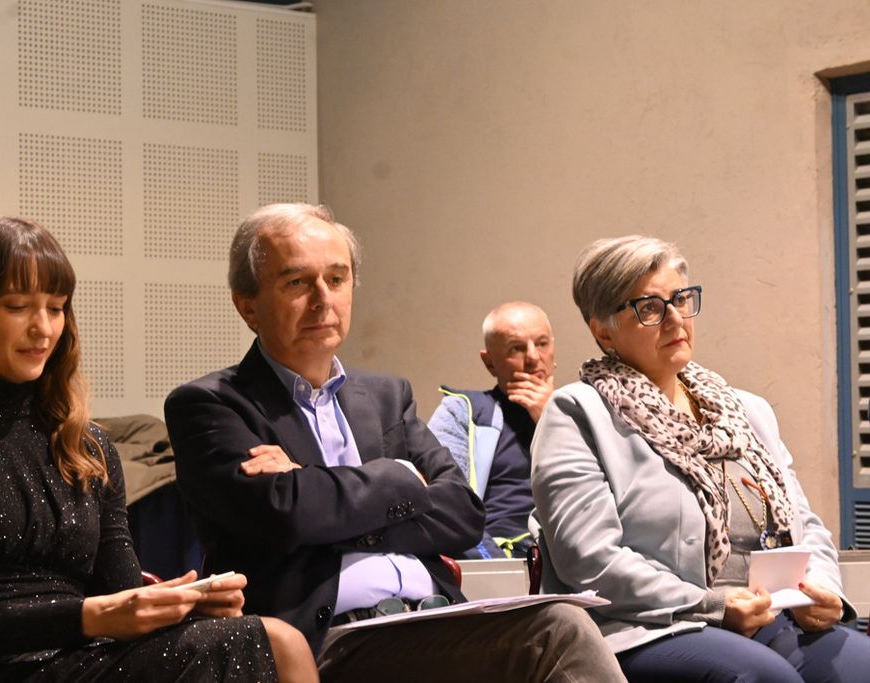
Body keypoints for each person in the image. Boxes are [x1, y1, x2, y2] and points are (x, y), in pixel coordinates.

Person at [165, 203, 627, 682]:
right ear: (248, 306)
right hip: (325, 642)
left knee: (561, 622)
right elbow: (285, 515)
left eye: (337, 279)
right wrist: (402, 479)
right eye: (297, 282)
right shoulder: (209, 405)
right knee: (558, 631)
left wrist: (319, 491)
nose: (323, 299)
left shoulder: (387, 396)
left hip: (438, 618)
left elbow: (463, 514)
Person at [0, 216, 317, 683]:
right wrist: (91, 617)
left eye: (56, 308)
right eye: (18, 307)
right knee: (278, 643)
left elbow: (122, 593)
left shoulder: (88, 446)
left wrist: (183, 605)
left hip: (89, 657)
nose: (43, 329)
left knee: (271, 639)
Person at [530, 235, 870, 682]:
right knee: (763, 677)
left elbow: (806, 524)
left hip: (772, 617)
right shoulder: (577, 413)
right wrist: (713, 605)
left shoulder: (745, 409)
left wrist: (822, 589)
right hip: (649, 627)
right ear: (603, 331)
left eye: (681, 299)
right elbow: (590, 561)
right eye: (649, 308)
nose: (675, 318)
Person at [428, 301, 555, 558]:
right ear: (490, 363)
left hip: (565, 554)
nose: (533, 358)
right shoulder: (462, 411)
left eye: (542, 344)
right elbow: (448, 503)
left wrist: (552, 419)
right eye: (516, 348)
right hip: (495, 555)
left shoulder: (582, 414)